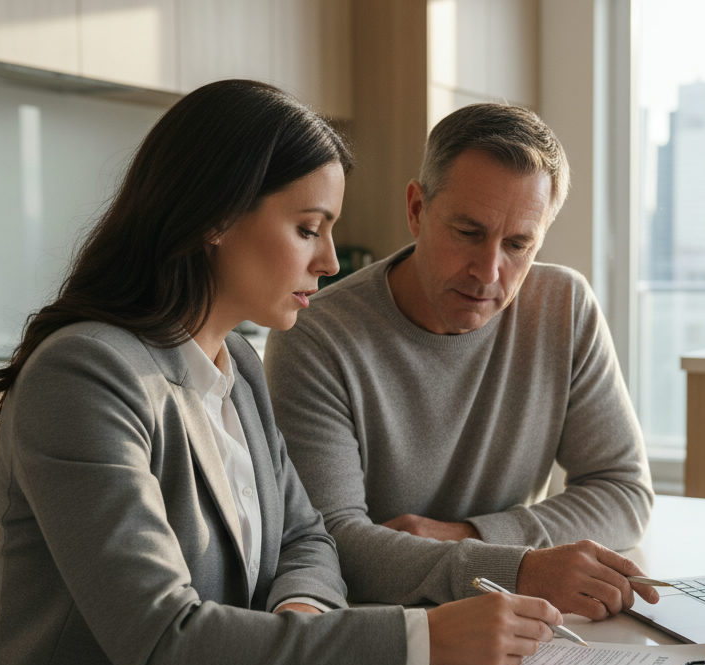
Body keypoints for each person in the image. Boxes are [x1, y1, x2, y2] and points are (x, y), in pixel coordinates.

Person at [0, 82, 559, 665]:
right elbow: (163, 643)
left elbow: (307, 539)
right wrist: (425, 640)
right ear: (217, 216)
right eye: (307, 227)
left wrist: (297, 631)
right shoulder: (85, 375)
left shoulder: (235, 359)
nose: (328, 260)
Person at [264, 103, 659, 620]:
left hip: (515, 627)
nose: (488, 271)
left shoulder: (564, 306)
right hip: (384, 629)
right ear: (416, 209)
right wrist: (517, 568)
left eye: (519, 244)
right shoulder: (317, 335)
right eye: (469, 233)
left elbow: (624, 492)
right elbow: (331, 542)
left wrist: (473, 537)